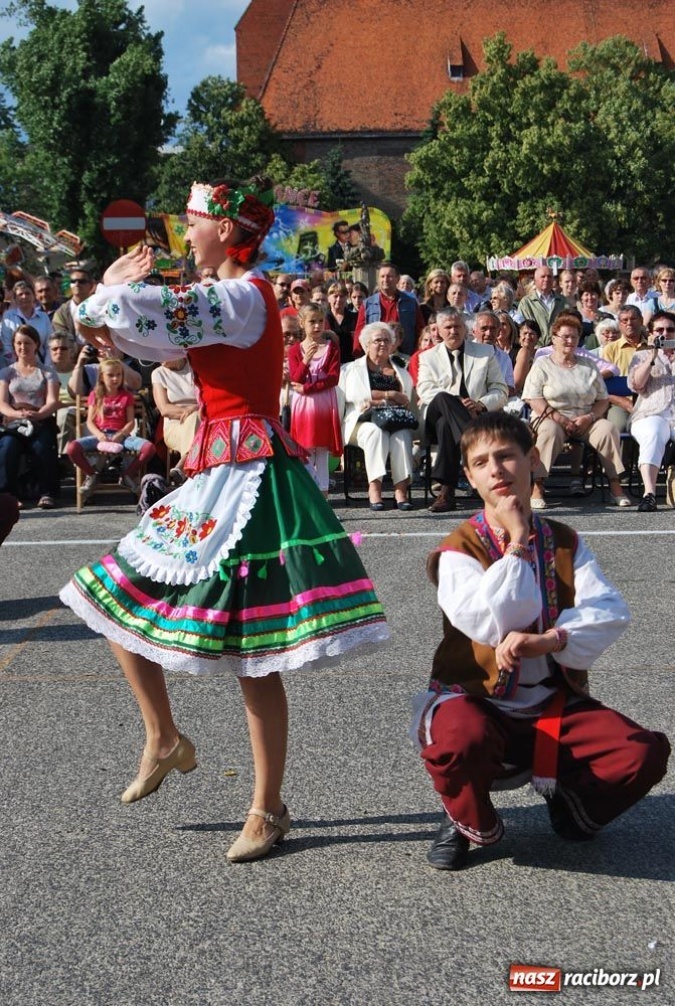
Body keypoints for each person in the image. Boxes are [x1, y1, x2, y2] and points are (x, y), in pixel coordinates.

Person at [60, 176, 389, 864]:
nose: (185, 235)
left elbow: (148, 311)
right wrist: (96, 313)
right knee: (111, 593)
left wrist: (107, 291)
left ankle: (267, 807)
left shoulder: (241, 296)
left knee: (252, 652)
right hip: (213, 473)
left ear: (226, 231)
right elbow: (134, 335)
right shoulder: (215, 302)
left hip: (254, 479)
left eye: (193, 223)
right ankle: (163, 737)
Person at [413, 410, 670, 871]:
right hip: (476, 701)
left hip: (552, 703)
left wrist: (552, 640)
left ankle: (572, 803)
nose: (497, 469)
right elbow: (492, 623)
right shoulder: (458, 548)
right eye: (483, 462)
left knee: (643, 753)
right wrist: (515, 540)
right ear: (470, 477)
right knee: (458, 740)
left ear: (532, 460)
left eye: (507, 456)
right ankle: (463, 817)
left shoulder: (566, 541)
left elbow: (609, 611)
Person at [522, 314, 630, 508]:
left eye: (574, 337)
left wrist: (589, 417)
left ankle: (616, 486)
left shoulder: (588, 365)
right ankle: (538, 486)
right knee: (549, 432)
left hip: (585, 418)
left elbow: (603, 399)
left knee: (607, 428)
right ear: (554, 338)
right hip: (551, 417)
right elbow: (533, 398)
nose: (569, 341)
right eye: (564, 336)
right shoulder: (542, 364)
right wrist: (560, 419)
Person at [417, 308, 508, 513]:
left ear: (466, 329)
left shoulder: (485, 353)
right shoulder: (428, 357)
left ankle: (446, 493)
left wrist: (481, 404)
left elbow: (500, 389)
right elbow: (424, 390)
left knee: (446, 427)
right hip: (436, 413)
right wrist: (457, 402)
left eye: (457, 326)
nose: (453, 331)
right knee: (442, 398)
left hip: (474, 414)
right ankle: (475, 441)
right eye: (447, 327)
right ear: (438, 331)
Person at [340, 322, 416, 510]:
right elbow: (357, 397)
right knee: (376, 432)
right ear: (366, 344)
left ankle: (401, 489)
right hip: (361, 422)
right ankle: (375, 487)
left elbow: (407, 398)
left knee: (402, 435)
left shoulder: (401, 369)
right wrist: (390, 395)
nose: (382, 344)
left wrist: (378, 397)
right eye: (377, 340)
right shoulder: (351, 369)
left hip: (395, 419)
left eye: (386, 340)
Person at [66, 358, 156, 501]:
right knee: (72, 448)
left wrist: (121, 434)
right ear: (101, 376)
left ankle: (127, 475)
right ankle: (93, 475)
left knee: (149, 447)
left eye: (119, 375)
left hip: (121, 436)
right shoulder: (95, 395)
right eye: (111, 375)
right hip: (99, 435)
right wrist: (99, 435)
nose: (115, 378)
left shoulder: (126, 396)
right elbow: (90, 421)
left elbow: (131, 422)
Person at [0, 324, 60, 508]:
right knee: (7, 447)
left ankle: (47, 492)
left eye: (27, 343)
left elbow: (52, 401)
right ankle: (7, 495)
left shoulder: (48, 372)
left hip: (40, 421)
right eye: (18, 343)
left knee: (42, 447)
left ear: (36, 344)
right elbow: (2, 403)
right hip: (14, 423)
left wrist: (38, 414)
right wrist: (17, 414)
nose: (22, 347)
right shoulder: (6, 372)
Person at [287, 303, 343, 494]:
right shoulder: (295, 350)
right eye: (312, 322)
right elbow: (296, 378)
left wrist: (308, 388)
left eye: (321, 321)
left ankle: (324, 499)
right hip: (304, 407)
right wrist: (305, 360)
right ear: (302, 323)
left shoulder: (331, 348)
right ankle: (310, 497)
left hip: (324, 404)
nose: (318, 326)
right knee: (306, 450)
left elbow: (333, 377)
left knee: (321, 452)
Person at [626, 310, 675, 512]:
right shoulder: (641, 355)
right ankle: (649, 494)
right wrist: (653, 355)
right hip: (650, 412)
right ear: (651, 332)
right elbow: (636, 385)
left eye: (671, 329)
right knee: (653, 433)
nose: (665, 333)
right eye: (660, 330)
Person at [353, 262, 424, 356]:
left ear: (397, 279)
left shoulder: (410, 303)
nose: (385, 279)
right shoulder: (368, 304)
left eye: (389, 276)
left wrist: (417, 354)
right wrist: (358, 355)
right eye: (382, 276)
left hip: (404, 356)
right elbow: (359, 332)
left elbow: (420, 330)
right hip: (375, 356)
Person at [151, 358, 200, 485]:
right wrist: (191, 411)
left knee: (196, 419)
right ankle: (187, 464)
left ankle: (184, 464)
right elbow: (165, 409)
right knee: (194, 418)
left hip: (202, 421)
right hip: (175, 426)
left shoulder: (196, 368)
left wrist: (195, 410)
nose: (159, 357)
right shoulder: (158, 373)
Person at [1, 279, 53, 366]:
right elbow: (7, 346)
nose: (24, 296)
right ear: (15, 299)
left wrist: (46, 366)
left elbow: (49, 344)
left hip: (42, 367)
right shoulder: (8, 317)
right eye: (20, 294)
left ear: (34, 296)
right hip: (17, 369)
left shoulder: (43, 317)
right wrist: (19, 366)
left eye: (27, 293)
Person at [514, 266, 567, 344]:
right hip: (534, 348)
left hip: (557, 347)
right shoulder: (526, 303)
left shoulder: (562, 301)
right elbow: (520, 328)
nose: (546, 279)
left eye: (549, 276)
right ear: (535, 281)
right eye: (543, 277)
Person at [326, 281, 356, 364]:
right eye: (335, 296)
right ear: (328, 298)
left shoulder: (354, 317)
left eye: (342, 296)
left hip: (351, 362)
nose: (339, 299)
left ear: (346, 298)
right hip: (329, 363)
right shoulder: (323, 319)